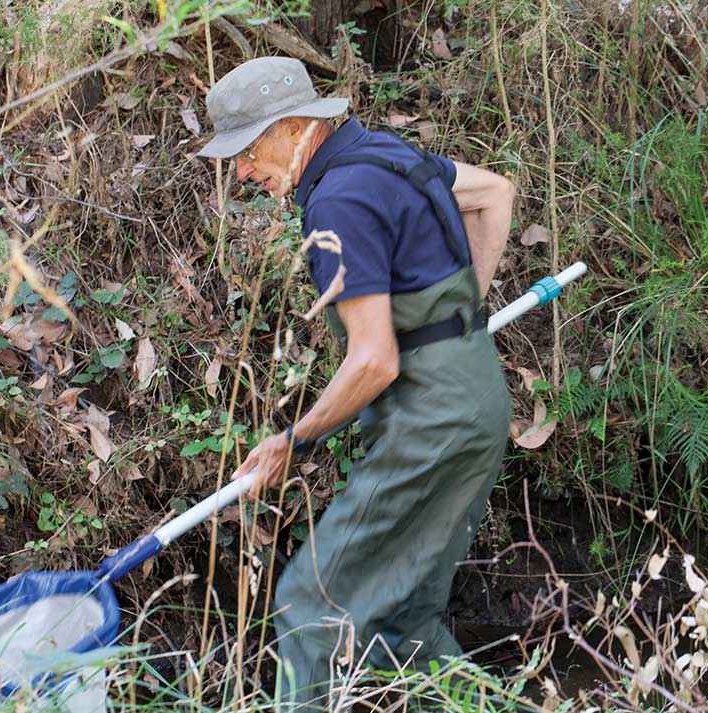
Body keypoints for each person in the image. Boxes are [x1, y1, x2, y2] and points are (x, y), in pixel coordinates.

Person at [199, 56, 514, 709]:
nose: (241, 170)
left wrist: (294, 438)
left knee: (307, 605)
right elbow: (494, 193)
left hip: (428, 424)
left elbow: (373, 361)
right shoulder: (383, 156)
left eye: (249, 149)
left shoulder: (335, 205)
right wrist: (462, 321)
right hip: (476, 401)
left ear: (293, 127)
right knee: (406, 623)